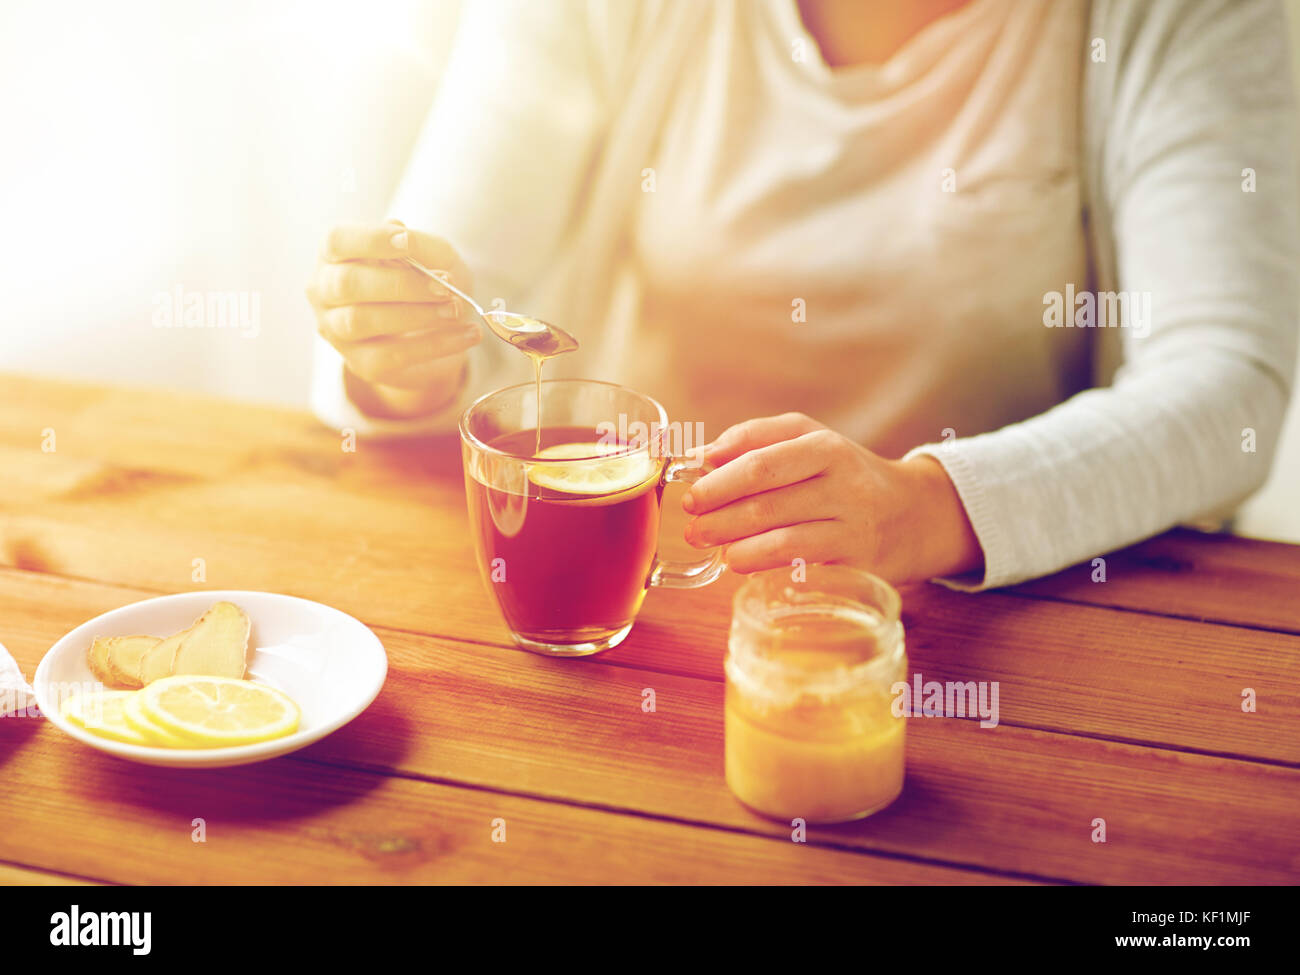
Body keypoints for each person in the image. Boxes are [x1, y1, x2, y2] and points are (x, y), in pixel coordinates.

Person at [305, 0, 1298, 590]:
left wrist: (918, 510)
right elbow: (452, 294)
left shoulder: (1180, 20)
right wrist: (400, 361)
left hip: (991, 620)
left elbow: (1226, 390)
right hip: (640, 599)